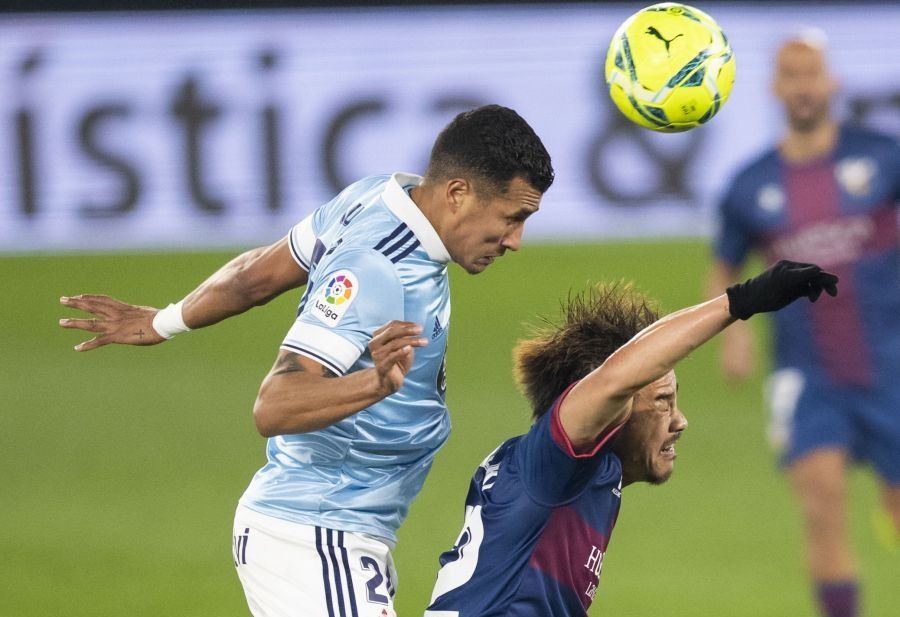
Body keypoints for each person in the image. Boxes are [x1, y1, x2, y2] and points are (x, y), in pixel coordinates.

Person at [58, 104, 554, 617]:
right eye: (513, 218)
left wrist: (165, 321)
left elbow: (257, 274)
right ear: (457, 193)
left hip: (337, 533)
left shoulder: (374, 196)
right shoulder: (376, 267)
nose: (516, 241)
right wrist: (375, 386)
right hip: (316, 534)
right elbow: (274, 406)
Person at [425, 260, 839, 615]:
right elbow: (613, 381)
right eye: (662, 401)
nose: (681, 421)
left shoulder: (579, 473)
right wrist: (742, 301)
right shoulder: (553, 464)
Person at [707, 32, 900, 617]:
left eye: (811, 72)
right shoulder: (749, 184)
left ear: (832, 81)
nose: (802, 85)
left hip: (890, 364)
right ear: (774, 88)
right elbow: (724, 264)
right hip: (806, 373)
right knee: (821, 508)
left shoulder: (882, 155)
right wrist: (733, 334)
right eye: (790, 74)